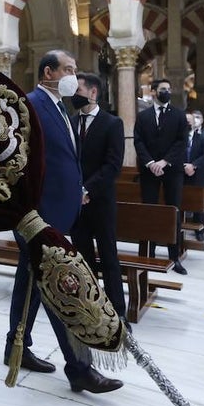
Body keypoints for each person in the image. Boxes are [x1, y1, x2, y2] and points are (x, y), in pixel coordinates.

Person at [2, 49, 123, 394]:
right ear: (48, 72)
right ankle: (79, 367)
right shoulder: (32, 105)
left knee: (30, 284)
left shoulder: (61, 108)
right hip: (39, 217)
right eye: (68, 69)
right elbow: (18, 161)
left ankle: (17, 347)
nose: (74, 75)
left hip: (55, 214)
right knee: (59, 285)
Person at [69, 73, 126, 319]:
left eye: (79, 89)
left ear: (93, 92)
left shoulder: (112, 123)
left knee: (109, 258)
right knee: (82, 257)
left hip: (100, 202)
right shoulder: (70, 122)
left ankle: (117, 312)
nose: (74, 95)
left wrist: (87, 190)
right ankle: (90, 305)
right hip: (77, 206)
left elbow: (113, 165)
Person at [132, 78, 189, 274]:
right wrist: (150, 163)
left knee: (173, 211)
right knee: (150, 211)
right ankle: (150, 253)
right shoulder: (143, 116)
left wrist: (164, 162)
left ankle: (174, 256)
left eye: (168, 89)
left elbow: (181, 142)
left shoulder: (179, 115)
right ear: (154, 91)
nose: (167, 92)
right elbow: (138, 141)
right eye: (163, 89)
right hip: (149, 171)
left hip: (172, 170)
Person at [182, 110, 204, 242]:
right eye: (189, 120)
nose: (192, 122)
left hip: (198, 172)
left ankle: (199, 229)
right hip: (182, 172)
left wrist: (193, 165)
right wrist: (184, 166)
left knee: (198, 202)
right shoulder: (180, 137)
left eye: (195, 119)